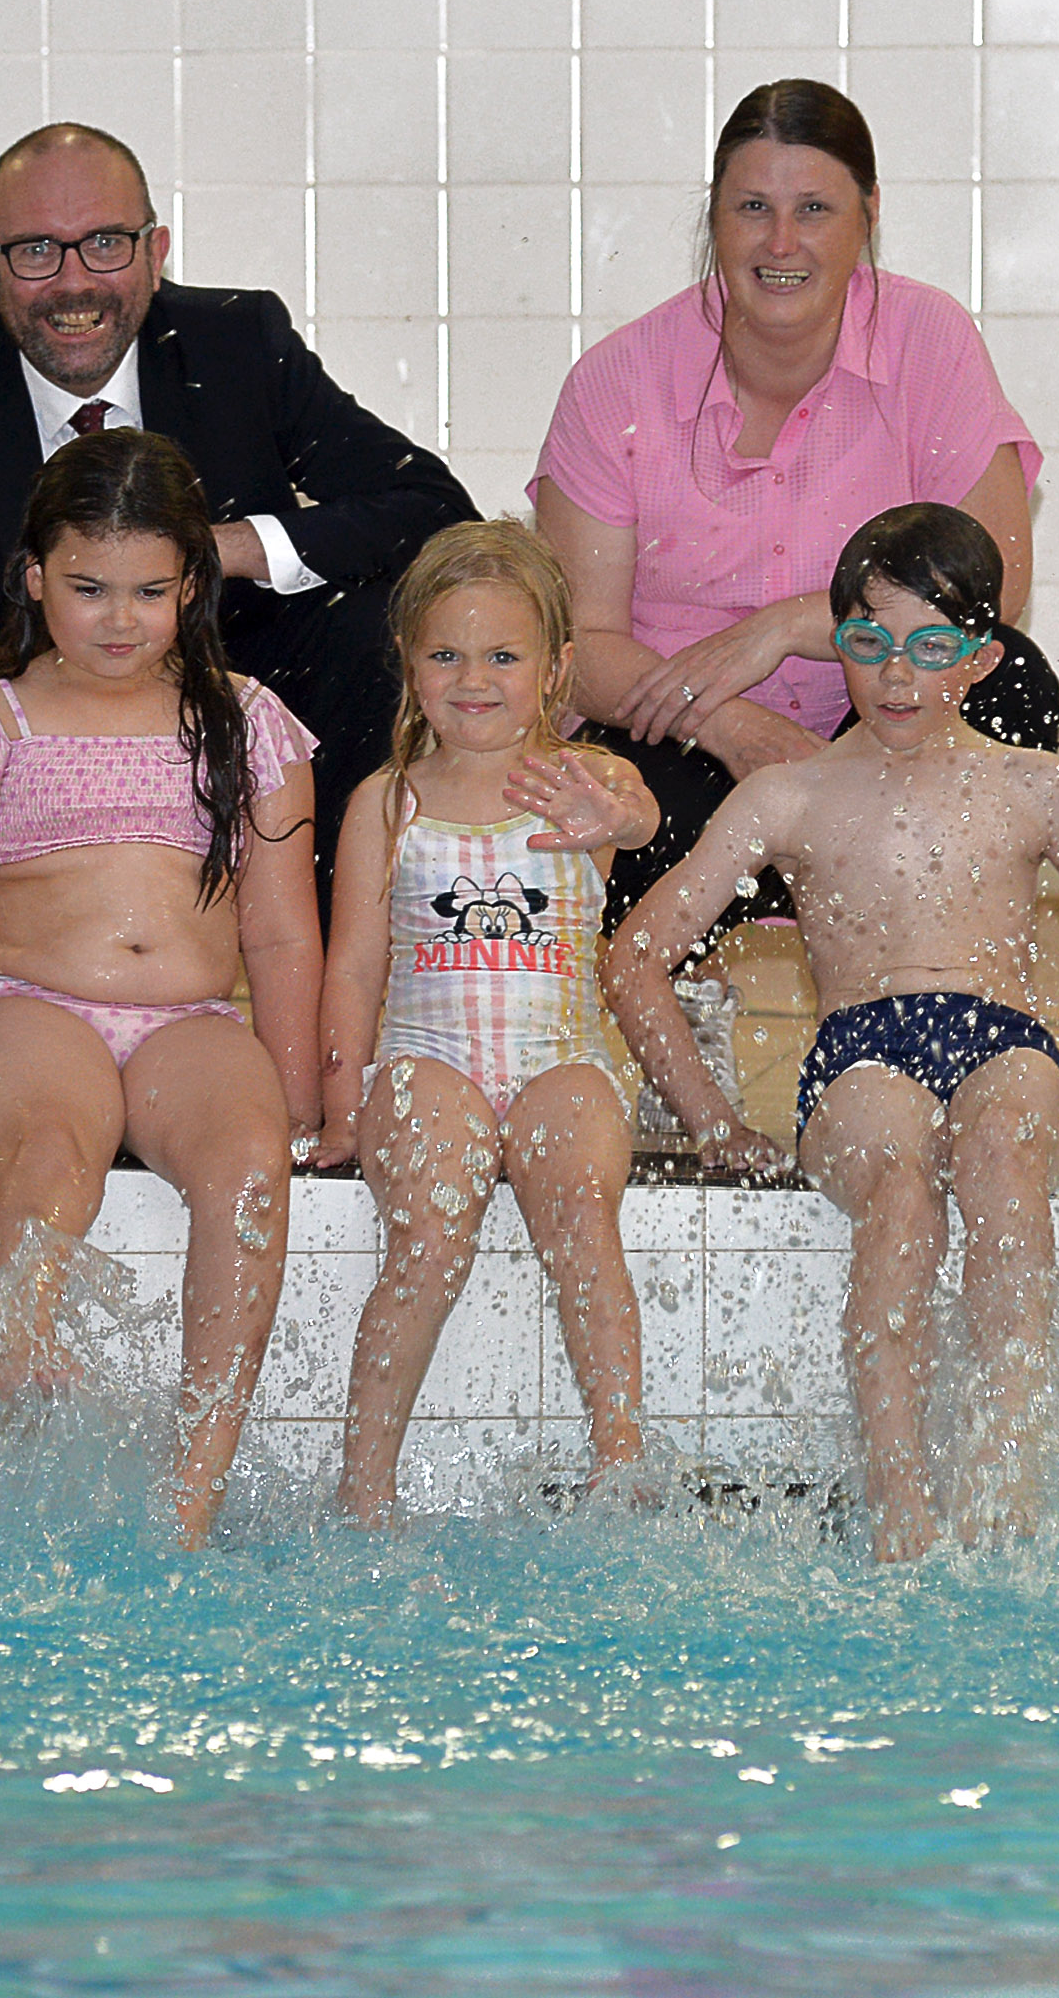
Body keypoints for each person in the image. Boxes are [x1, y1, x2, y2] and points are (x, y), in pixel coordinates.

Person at [0, 120, 474, 1105]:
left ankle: (365, 1001)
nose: (75, 281)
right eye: (36, 252)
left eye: (106, 244)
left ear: (156, 250)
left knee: (370, 628)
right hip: (30, 747)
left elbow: (427, 506)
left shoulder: (238, 342)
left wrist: (216, 552)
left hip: (232, 708)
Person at [605, 506, 1059, 1564]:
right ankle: (901, 1512)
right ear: (838, 642)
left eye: (930, 646)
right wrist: (713, 1121)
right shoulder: (789, 793)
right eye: (868, 642)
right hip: (860, 1049)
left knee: (1001, 1152)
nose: (898, 675)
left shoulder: (1035, 787)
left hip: (1004, 1040)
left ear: (982, 657)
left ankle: (1005, 1499)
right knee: (901, 1187)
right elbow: (635, 955)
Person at [0, 429, 323, 1551]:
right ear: (33, 577)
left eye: (150, 591)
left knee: (253, 1172)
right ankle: (21, 1390)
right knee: (56, 1154)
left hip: (193, 1020)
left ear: (192, 587)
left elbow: (281, 937)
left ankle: (188, 1501)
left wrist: (307, 1097)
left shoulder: (250, 722)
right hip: (29, 1003)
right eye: (87, 588)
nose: (119, 618)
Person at [537, 78, 1059, 940]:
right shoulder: (617, 378)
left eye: (813, 207)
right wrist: (724, 720)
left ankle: (944, 973)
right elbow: (577, 646)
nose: (781, 242)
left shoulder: (930, 340)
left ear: (868, 214)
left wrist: (782, 628)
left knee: (1006, 675)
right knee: (603, 790)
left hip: (884, 716)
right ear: (714, 218)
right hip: (680, 739)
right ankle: (673, 1010)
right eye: (753, 207)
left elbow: (989, 592)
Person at [316, 521, 659, 1524]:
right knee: (429, 1230)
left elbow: (638, 815)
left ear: (554, 669)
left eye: (504, 656)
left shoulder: (583, 781)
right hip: (430, 1055)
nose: (476, 677)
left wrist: (618, 823)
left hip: (562, 1056)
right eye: (449, 654)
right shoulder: (390, 802)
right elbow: (353, 963)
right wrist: (343, 1107)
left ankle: (620, 1461)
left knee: (581, 1219)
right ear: (411, 665)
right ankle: (365, 1481)